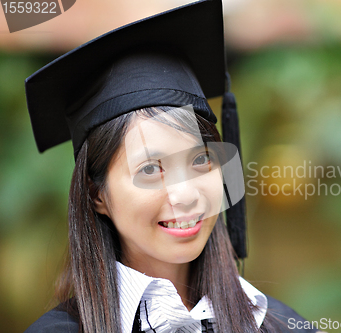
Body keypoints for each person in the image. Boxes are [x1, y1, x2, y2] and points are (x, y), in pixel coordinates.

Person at [23, 0, 320, 332]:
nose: (185, 194)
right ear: (97, 194)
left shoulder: (280, 326)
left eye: (200, 160)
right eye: (150, 169)